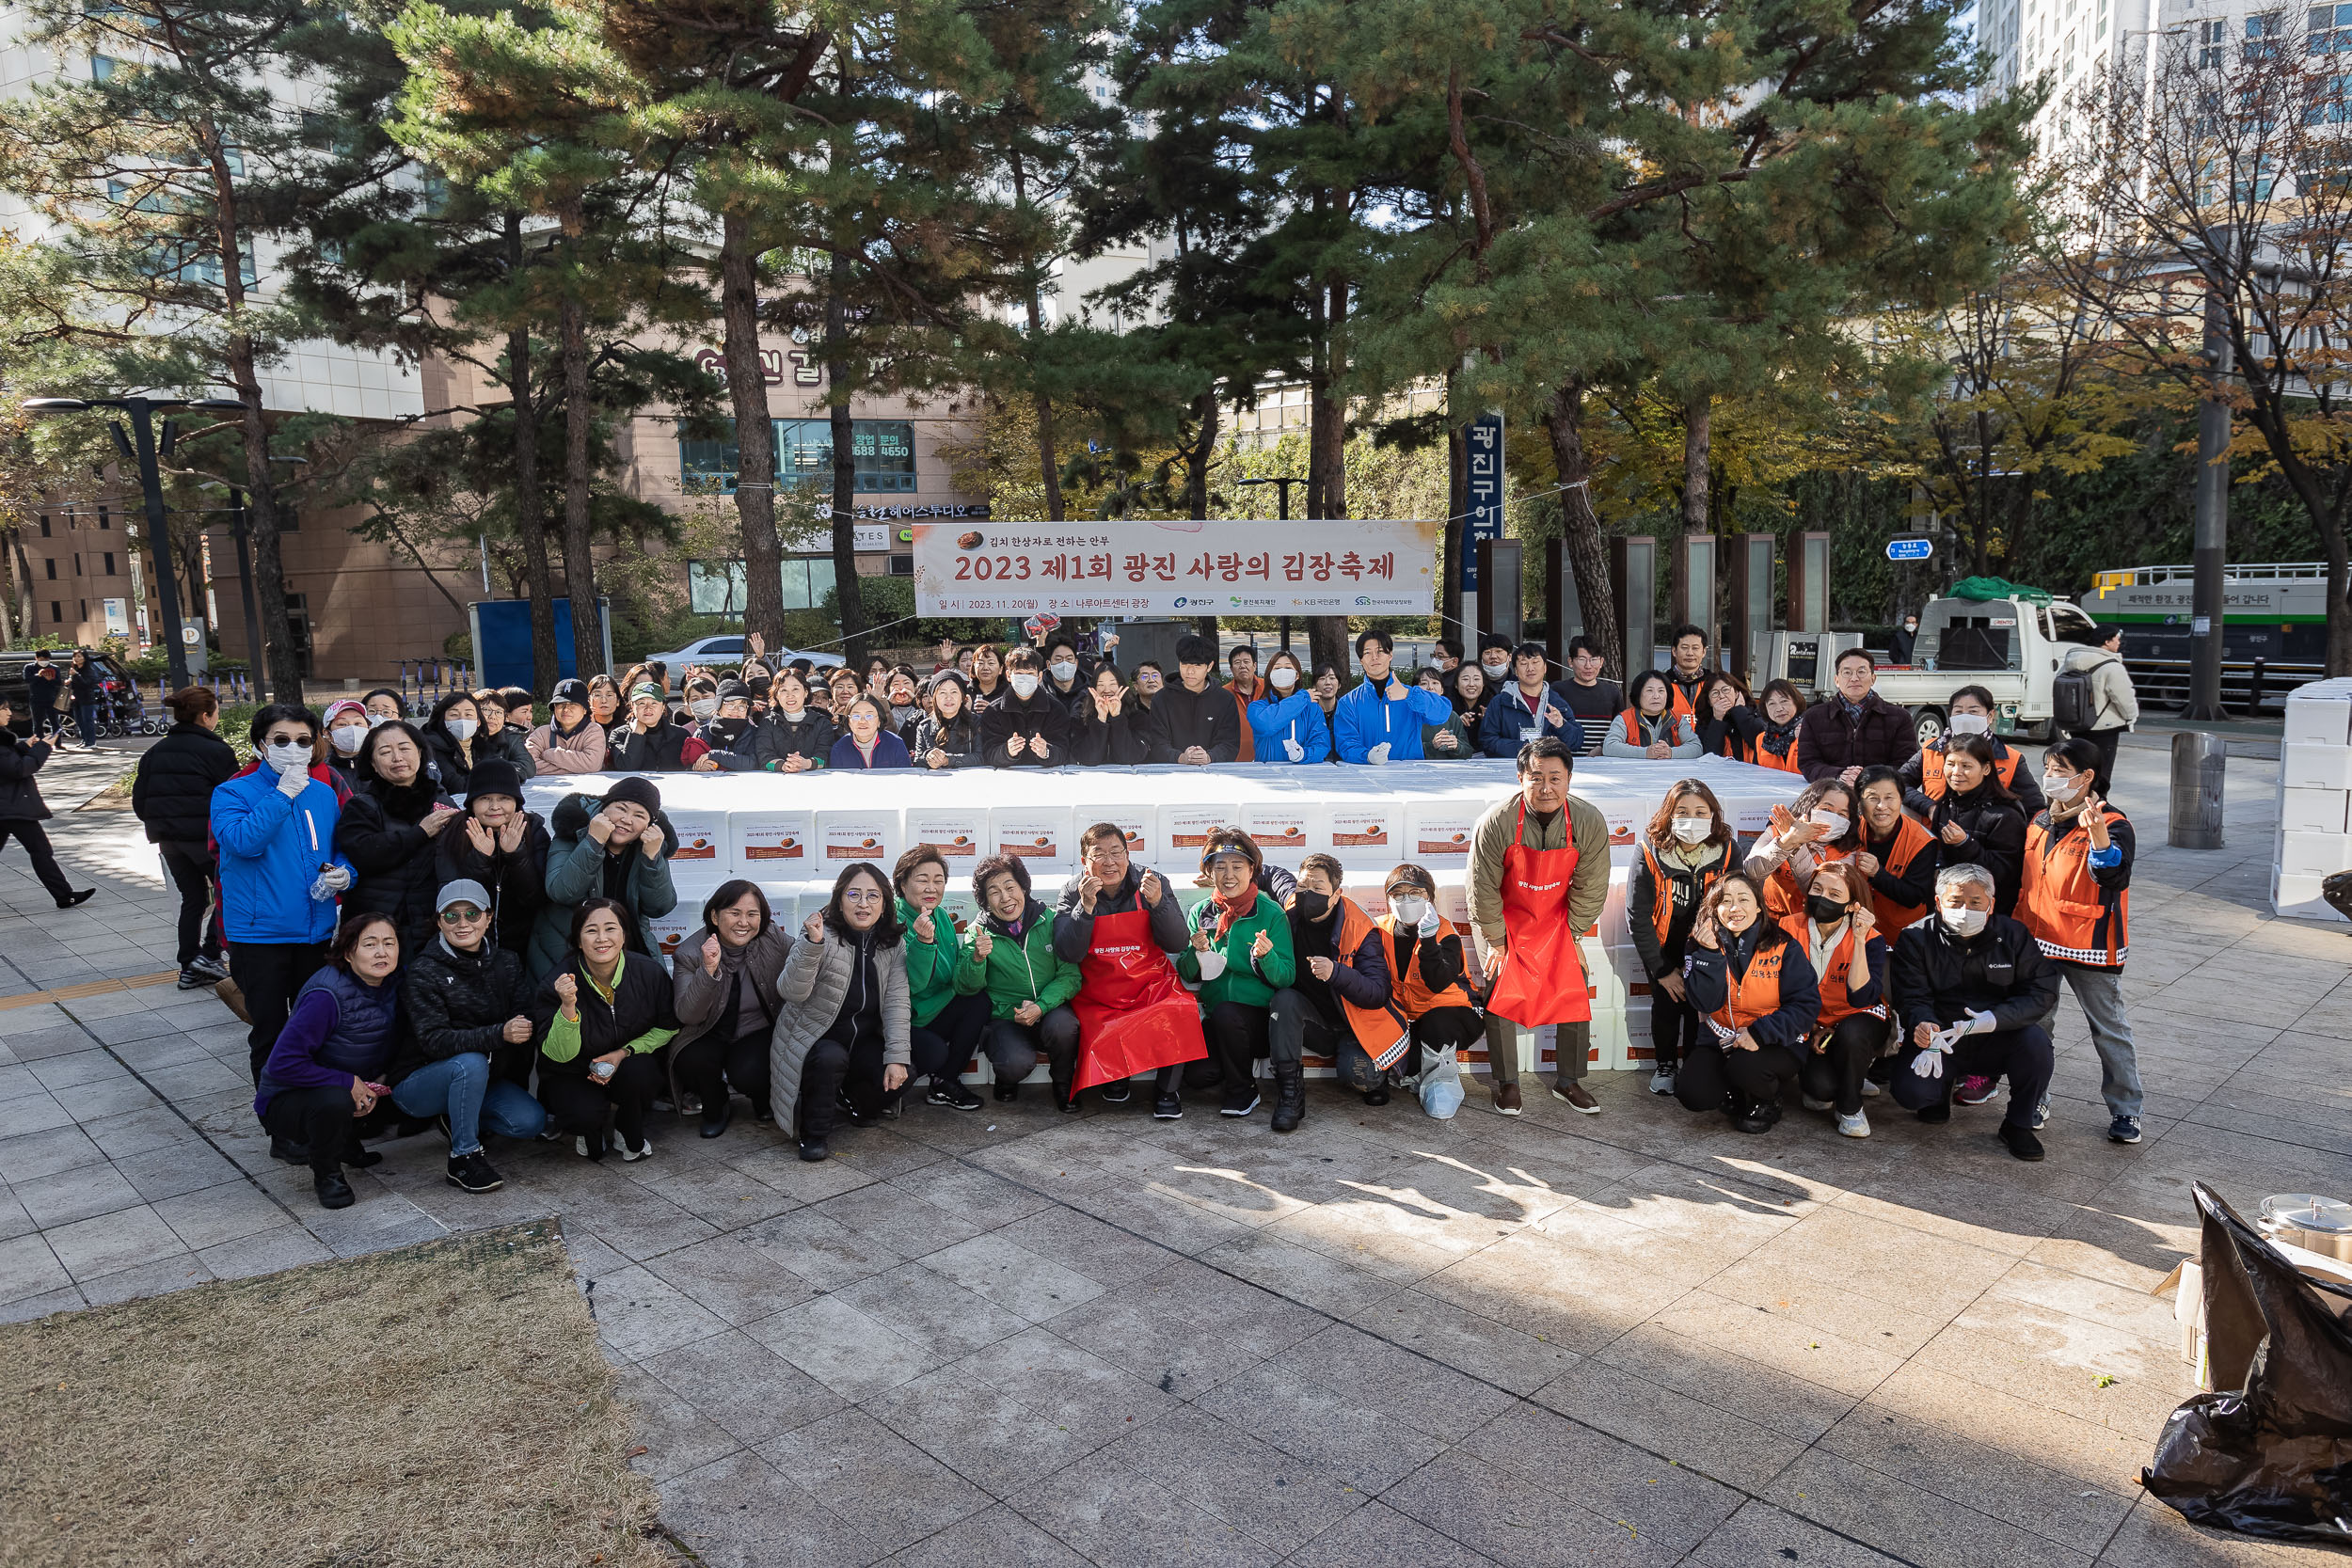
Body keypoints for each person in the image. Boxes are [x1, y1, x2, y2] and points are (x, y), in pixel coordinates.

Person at [1467, 737, 1611, 1115]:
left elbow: (1592, 884)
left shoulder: (1588, 820)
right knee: (1499, 987)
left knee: (1573, 985)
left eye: (1555, 778)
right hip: (1504, 918)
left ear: (1569, 779)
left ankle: (1569, 1081)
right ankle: (1507, 1083)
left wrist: (1574, 933)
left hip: (1558, 918)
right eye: (1536, 778)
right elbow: (1481, 888)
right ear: (1520, 778)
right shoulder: (1496, 822)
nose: (1546, 787)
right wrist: (1497, 942)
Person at [214, 705, 356, 1084]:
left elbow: (341, 847)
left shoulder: (324, 794)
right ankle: (281, 1131)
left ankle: (320, 1128)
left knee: (318, 1034)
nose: (293, 748)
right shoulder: (232, 792)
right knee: (271, 1037)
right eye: (281, 740)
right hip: (262, 938)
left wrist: (345, 872)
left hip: (316, 934)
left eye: (303, 740)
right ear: (261, 744)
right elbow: (243, 842)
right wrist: (281, 795)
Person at [2016, 736, 2144, 1143]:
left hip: (2090, 942)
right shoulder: (2039, 820)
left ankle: (2126, 1111)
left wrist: (2101, 839)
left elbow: (2114, 875)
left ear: (2087, 777)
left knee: (2108, 1027)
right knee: (2038, 1025)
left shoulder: (2114, 823)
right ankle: (2035, 1098)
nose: (2051, 778)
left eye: (2061, 772)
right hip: (2038, 939)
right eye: (2049, 770)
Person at [1888, 863, 2059, 1161]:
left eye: (1975, 902)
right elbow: (1912, 996)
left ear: (1990, 905)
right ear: (1939, 902)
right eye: (1956, 902)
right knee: (1911, 1093)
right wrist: (1922, 1024)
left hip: (1997, 1035)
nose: (1965, 909)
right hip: (1942, 1039)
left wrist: (1995, 1020)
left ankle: (2018, 1123)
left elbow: (2041, 992)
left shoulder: (2014, 935)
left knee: (2037, 1044)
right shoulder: (1915, 938)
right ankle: (1938, 1093)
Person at [392, 879, 547, 1192]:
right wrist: (499, 1033)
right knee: (469, 1063)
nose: (463, 924)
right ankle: (463, 1157)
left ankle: (458, 1115)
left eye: (472, 914)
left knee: (529, 1121)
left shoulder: (507, 961)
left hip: (483, 1077)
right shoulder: (424, 970)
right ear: (439, 921)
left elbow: (525, 1014)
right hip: (419, 1082)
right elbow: (434, 1041)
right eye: (451, 916)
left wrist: (522, 1026)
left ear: (488, 918)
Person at [252, 912, 402, 1209]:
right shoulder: (326, 995)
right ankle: (327, 1174)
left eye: (389, 943)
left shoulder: (392, 981)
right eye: (370, 944)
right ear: (348, 953)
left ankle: (345, 1142)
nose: (382, 952)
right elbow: (282, 1063)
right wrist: (348, 1083)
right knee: (334, 1100)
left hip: (345, 1083)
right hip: (288, 1099)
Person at [1055, 822, 1202, 1108]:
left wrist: (1158, 902)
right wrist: (1084, 908)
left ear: (1128, 854)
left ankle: (1167, 1091)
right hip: (1098, 991)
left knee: (1182, 1007)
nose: (1109, 862)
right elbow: (1068, 952)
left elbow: (1177, 942)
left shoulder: (1151, 881)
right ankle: (1116, 1078)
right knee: (1100, 1019)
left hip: (1150, 983)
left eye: (1116, 853)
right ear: (1085, 861)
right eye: (1099, 855)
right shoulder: (1073, 890)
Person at [771, 863, 912, 1163]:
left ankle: (855, 1104)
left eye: (873, 895)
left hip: (862, 1039)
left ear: (885, 902)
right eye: (854, 894)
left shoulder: (893, 943)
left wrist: (897, 1058)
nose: (864, 904)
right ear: (839, 899)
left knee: (907, 1067)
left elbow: (897, 1003)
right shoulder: (820, 932)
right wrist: (813, 946)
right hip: (818, 1037)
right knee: (830, 1058)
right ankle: (814, 1134)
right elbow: (790, 991)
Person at [1676, 872, 1821, 1133]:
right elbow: (1704, 1002)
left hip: (1775, 1042)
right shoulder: (1699, 944)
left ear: (1758, 906)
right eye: (1726, 901)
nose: (1735, 908)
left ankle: (1767, 1098)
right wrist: (1710, 955)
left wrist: (1760, 1033)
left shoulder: (1784, 946)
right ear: (1714, 908)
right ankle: (1735, 1089)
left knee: (1745, 1066)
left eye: (1743, 899)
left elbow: (1806, 1005)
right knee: (1692, 1093)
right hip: (1720, 1038)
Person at [1270, 855, 1406, 1132]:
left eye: (1318, 888)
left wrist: (1336, 973)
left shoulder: (1361, 929)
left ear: (1336, 894)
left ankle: (1378, 1077)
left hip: (1356, 1028)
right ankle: (1290, 1097)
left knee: (1359, 1076)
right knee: (1283, 1000)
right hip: (1315, 1024)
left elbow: (1378, 993)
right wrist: (1220, 876)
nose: (1308, 893)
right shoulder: (1293, 906)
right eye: (1303, 886)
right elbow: (1271, 874)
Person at [534, 896, 676, 1161]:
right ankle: (590, 1130)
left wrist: (622, 1053)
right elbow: (559, 1055)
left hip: (626, 1064)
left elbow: (667, 1028)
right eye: (591, 930)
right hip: (574, 1070)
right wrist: (568, 1007)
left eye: (610, 928)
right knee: (583, 1121)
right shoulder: (557, 981)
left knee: (642, 1073)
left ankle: (627, 1123)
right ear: (578, 940)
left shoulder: (649, 973)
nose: (602, 938)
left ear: (624, 935)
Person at [1628, 779, 1738, 1098]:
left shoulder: (1728, 849)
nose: (1693, 819)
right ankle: (1665, 1064)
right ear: (1669, 815)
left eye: (1701, 812)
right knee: (1666, 1002)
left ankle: (1693, 1062)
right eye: (1683, 811)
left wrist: (1715, 946)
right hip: (1663, 947)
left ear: (1714, 816)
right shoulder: (1648, 850)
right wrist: (1661, 969)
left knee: (1698, 1005)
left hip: (1708, 944)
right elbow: (1638, 916)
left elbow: (1734, 903)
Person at [1174, 836, 1296, 1119]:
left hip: (1260, 1024)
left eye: (1237, 866)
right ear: (1209, 872)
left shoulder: (1271, 914)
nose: (1229, 876)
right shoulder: (1200, 912)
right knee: (1197, 1075)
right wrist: (1197, 951)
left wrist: (1267, 957)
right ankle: (1233, 1068)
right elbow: (1185, 971)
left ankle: (1243, 1090)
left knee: (1229, 1014)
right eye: (1220, 867)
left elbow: (1287, 978)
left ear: (1252, 870)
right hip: (1219, 1019)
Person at [955, 855, 1083, 1106]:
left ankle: (1064, 1083)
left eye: (1010, 887)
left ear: (1023, 887)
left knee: (1064, 1026)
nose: (1005, 898)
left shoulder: (1051, 921)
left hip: (1049, 1010)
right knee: (1015, 1063)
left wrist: (1041, 1006)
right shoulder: (977, 933)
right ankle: (1007, 1078)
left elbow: (1070, 976)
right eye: (994, 892)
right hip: (1006, 1018)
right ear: (985, 900)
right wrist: (978, 958)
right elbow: (965, 987)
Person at [1773, 861, 1887, 1137]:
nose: (1822, 897)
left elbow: (1862, 997)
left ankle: (1851, 1108)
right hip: (1812, 1023)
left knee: (1851, 1034)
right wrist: (1811, 1028)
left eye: (1835, 894)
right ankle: (1851, 1076)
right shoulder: (1787, 927)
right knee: (1818, 1093)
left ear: (1853, 905)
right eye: (1817, 888)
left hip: (1860, 1019)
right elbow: (1775, 988)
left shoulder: (1871, 937)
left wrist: (1859, 939)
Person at [132, 685, 235, 985]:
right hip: (206, 840)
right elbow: (233, 797)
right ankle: (210, 955)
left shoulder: (155, 752)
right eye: (215, 711)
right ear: (205, 716)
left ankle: (189, 962)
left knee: (193, 899)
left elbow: (140, 800)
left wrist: (164, 825)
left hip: (169, 841)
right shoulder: (216, 751)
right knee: (230, 891)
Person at [670, 880, 787, 1136]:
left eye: (752, 914)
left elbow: (800, 957)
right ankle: (715, 1104)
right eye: (734, 913)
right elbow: (688, 1015)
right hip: (708, 1029)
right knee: (691, 1059)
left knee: (750, 1072)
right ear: (715, 915)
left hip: (756, 1029)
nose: (743, 922)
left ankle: (762, 1097)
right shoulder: (689, 953)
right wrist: (708, 971)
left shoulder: (772, 936)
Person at [529, 775, 677, 978]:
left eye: (640, 816)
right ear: (604, 807)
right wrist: (593, 841)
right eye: (621, 809)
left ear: (649, 825)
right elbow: (562, 892)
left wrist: (652, 859)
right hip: (565, 947)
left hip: (626, 948)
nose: (627, 820)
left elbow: (659, 907)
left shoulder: (648, 845)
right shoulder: (574, 832)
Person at [337, 720, 463, 957]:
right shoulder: (362, 805)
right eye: (385, 752)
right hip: (377, 925)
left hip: (430, 922)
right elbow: (364, 853)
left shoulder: (442, 802)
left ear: (420, 752)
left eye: (405, 748)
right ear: (373, 764)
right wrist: (420, 833)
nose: (397, 757)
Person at [1369, 864, 1485, 1105]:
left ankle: (1441, 1084)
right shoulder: (1378, 930)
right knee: (1402, 1064)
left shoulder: (1444, 932)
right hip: (1409, 1020)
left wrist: (1429, 941)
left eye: (1415, 892)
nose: (1406, 899)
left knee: (1437, 1021)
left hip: (1456, 1016)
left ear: (1430, 897)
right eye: (1397, 893)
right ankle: (1411, 1073)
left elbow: (1437, 982)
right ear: (1388, 899)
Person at [894, 847, 989, 1111]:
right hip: (903, 1020)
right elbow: (910, 986)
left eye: (938, 880)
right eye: (922, 879)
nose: (931, 887)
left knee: (979, 1001)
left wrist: (976, 960)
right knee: (936, 1052)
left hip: (936, 1009)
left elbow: (956, 979)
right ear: (902, 883)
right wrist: (924, 942)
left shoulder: (942, 917)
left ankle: (944, 1083)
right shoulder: (891, 922)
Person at [434, 758, 548, 961]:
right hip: (469, 944)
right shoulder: (453, 834)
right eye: (485, 798)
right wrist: (480, 858)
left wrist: (516, 855)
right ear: (472, 803)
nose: (495, 807)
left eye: (504, 798)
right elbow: (451, 897)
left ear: (516, 802)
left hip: (524, 941)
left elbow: (535, 899)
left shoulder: (534, 831)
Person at [0, 696, 94, 910]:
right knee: (41, 851)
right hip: (12, 807)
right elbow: (18, 770)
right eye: (4, 709)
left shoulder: (3, 742)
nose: (9, 713)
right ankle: (64, 895)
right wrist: (42, 749)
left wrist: (24, 747)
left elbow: (8, 762)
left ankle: (64, 895)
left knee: (40, 851)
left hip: (8, 807)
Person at [1920, 735, 2027, 915]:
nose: (1956, 772)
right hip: (1949, 906)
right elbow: (1937, 851)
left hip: (1986, 912)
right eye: (1950, 764)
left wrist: (1965, 844)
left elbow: (2005, 873)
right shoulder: (1945, 805)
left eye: (1966, 766)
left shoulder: (2005, 815)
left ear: (1986, 769)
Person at [1899, 686, 2043, 815]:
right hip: (1934, 835)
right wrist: (1929, 807)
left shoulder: (2011, 758)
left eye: (1973, 711)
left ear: (1990, 716)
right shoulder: (1931, 750)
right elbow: (1898, 783)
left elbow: (2034, 808)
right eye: (1959, 711)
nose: (1965, 717)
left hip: (1985, 839)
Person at [1745, 778, 1862, 920]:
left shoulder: (1849, 851)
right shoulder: (1777, 830)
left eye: (1842, 814)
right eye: (1826, 809)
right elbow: (1752, 871)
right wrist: (1786, 842)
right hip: (1770, 919)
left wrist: (1795, 843)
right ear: (1809, 807)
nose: (1833, 818)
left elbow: (1819, 892)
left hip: (1813, 923)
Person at [1797, 648, 1919, 782]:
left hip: (1878, 795)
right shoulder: (1814, 716)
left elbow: (1906, 765)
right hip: (1831, 792)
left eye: (1861, 672)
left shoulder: (1899, 717)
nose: (1854, 678)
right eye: (1847, 672)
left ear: (1873, 679)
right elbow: (1808, 762)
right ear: (1837, 680)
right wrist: (1839, 775)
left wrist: (1868, 779)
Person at [1334, 630, 1454, 764]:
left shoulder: (1410, 694)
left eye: (1380, 651)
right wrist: (1367, 756)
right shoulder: (1349, 702)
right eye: (1367, 652)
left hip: (1408, 774)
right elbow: (1346, 743)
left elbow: (1442, 713)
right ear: (1361, 660)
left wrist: (1408, 695)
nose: (1374, 657)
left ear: (1390, 655)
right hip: (1367, 774)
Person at [1851, 767, 1938, 934]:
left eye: (1889, 798)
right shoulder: (1851, 830)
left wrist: (1878, 874)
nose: (1881, 806)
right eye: (1872, 798)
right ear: (1859, 802)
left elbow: (1914, 897)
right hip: (1858, 927)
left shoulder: (1923, 841)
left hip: (1904, 932)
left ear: (1901, 799)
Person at [2060, 625, 2137, 796]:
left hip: (2076, 725)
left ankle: (2074, 803)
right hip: (2104, 728)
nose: (2119, 643)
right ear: (2107, 641)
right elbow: (2124, 698)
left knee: (2078, 769)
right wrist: (2130, 717)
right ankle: (2096, 808)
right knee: (2100, 773)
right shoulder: (2112, 666)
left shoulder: (2070, 662)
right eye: (2116, 639)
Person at [1478, 641, 1584, 757]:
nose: (1530, 668)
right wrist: (1525, 748)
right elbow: (1487, 741)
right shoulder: (1500, 702)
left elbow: (1576, 742)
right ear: (1516, 671)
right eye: (1523, 663)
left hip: (1548, 769)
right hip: (1509, 769)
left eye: (1535, 662)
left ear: (1545, 668)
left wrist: (1561, 725)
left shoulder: (1556, 703)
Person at [1149, 635, 1240, 766]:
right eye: (1185, 664)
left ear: (1209, 666)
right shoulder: (1161, 698)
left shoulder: (1225, 699)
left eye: (1197, 665)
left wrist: (1209, 757)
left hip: (1215, 774)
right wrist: (1181, 758)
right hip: (1172, 773)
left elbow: (1230, 744)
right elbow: (1157, 743)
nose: (1190, 671)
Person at [980, 647, 1073, 768]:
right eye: (1019, 674)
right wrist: (1007, 751)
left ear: (1039, 677)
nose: (1024, 679)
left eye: (1030, 674)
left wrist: (1046, 752)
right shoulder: (993, 711)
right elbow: (989, 753)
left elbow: (1063, 750)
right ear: (1008, 675)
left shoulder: (1056, 709)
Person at [1247, 650, 1332, 764]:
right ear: (1270, 675)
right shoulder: (1257, 708)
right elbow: (1267, 725)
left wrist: (1304, 755)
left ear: (1297, 675)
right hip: (1267, 774)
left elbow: (1321, 744)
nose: (1282, 672)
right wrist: (1302, 698)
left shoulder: (1312, 709)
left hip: (1301, 775)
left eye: (1288, 668)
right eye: (1277, 668)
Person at [1601, 671, 1702, 759]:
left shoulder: (1677, 719)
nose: (1656, 696)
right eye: (1649, 691)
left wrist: (1670, 753)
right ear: (1638, 694)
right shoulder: (1624, 719)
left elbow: (1696, 747)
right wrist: (1646, 753)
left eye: (1661, 691)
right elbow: (1609, 746)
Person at [755, 668, 836, 772]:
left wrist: (805, 763)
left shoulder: (822, 723)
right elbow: (764, 758)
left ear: (806, 692)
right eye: (784, 690)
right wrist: (784, 766)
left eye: (795, 689)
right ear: (776, 695)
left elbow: (824, 758)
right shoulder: (768, 724)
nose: (790, 695)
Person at [1072, 664, 1153, 766]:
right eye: (1101, 685)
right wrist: (1101, 719)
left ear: (1121, 686)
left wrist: (1117, 717)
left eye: (1112, 684)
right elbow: (1089, 758)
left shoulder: (1139, 717)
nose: (1107, 690)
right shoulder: (1081, 717)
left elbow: (1128, 757)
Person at [610, 683, 703, 772]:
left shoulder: (681, 735)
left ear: (663, 707)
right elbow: (626, 767)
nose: (648, 708)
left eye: (654, 703)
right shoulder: (619, 735)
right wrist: (636, 734)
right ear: (632, 707)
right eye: (641, 703)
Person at [529, 678, 610, 776]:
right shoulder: (541, 733)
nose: (566, 709)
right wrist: (576, 768)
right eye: (561, 704)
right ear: (554, 708)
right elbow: (528, 765)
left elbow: (592, 764)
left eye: (573, 704)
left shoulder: (594, 731)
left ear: (584, 709)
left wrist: (551, 754)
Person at [1558, 636, 1622, 753]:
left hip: (1602, 760)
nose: (1588, 666)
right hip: (1565, 761)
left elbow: (1620, 729)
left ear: (1601, 662)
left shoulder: (1612, 692)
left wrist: (1602, 748)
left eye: (1593, 659)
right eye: (1582, 659)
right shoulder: (1558, 691)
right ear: (1570, 662)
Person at [913, 672, 983, 769]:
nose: (948, 698)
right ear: (934, 699)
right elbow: (917, 762)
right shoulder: (925, 727)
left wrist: (948, 760)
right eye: (942, 693)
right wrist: (928, 757)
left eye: (954, 692)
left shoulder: (975, 721)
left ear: (962, 698)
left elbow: (981, 757)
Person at [419, 690, 484, 797]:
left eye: (468, 714)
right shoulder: (433, 746)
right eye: (454, 714)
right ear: (442, 719)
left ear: (478, 721)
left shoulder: (482, 744)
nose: (462, 719)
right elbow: (457, 787)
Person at [690, 681, 763, 771]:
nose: (736, 710)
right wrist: (696, 767)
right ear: (719, 705)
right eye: (730, 705)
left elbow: (752, 763)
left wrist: (715, 755)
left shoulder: (755, 733)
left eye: (742, 706)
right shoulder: (703, 732)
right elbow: (688, 764)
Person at [831, 695, 914, 769]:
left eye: (869, 716)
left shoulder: (895, 743)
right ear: (848, 721)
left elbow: (905, 778)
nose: (862, 721)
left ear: (879, 721)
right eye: (856, 716)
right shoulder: (839, 748)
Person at [1693, 673, 1759, 761]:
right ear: (1709, 701)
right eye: (1715, 693)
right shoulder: (1704, 721)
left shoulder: (1754, 713)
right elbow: (1711, 756)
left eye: (1726, 690)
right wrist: (1718, 719)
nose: (1722, 696)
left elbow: (1757, 742)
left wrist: (1740, 712)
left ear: (1736, 693)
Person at [1418, 667, 1478, 758]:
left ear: (1442, 690)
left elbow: (1468, 752)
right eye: (1424, 683)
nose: (1430, 687)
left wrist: (1456, 746)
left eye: (1435, 683)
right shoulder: (1410, 716)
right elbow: (1402, 749)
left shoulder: (1451, 716)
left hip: (1448, 770)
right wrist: (1431, 745)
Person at [1748, 680, 1804, 774]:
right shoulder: (1762, 739)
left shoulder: (1810, 732)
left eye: (1784, 701)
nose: (1779, 709)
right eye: (1772, 704)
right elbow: (1756, 775)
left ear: (1796, 701)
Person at [1662, 624, 1714, 722]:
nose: (1690, 653)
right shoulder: (1662, 683)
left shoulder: (1713, 683)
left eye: (1695, 648)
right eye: (1685, 647)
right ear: (1674, 651)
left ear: (1704, 651)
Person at [472, 688, 532, 772]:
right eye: (486, 710)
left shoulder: (512, 737)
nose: (493, 716)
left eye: (499, 712)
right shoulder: (465, 737)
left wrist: (494, 770)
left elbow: (527, 767)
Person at [1224, 645, 1266, 761]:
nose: (1242, 666)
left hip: (1267, 758)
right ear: (1231, 669)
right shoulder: (1223, 694)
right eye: (1237, 662)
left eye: (1246, 661)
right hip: (1236, 760)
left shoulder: (1269, 688)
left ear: (1255, 666)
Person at [322, 699, 373, 781]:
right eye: (342, 724)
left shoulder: (380, 764)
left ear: (369, 729)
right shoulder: (322, 771)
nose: (352, 729)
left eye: (357, 723)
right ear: (327, 733)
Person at [1041, 635, 1090, 713]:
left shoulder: (1090, 692)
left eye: (1069, 659)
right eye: (1058, 659)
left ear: (1076, 663)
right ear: (1048, 665)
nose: (1064, 664)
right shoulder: (1040, 693)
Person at [66, 649, 103, 750]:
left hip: (87, 698)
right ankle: (85, 739)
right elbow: (74, 684)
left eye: (79, 656)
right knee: (79, 721)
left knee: (87, 720)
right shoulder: (74, 669)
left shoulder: (89, 670)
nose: (76, 659)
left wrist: (76, 675)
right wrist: (69, 681)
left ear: (85, 658)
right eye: (75, 657)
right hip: (76, 699)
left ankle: (91, 741)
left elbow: (86, 683)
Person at [24, 652, 61, 743]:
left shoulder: (54, 668)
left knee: (55, 722)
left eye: (46, 659)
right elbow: (27, 679)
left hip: (51, 698)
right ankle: (38, 742)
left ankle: (58, 743)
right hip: (36, 699)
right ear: (36, 658)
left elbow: (59, 682)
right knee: (37, 723)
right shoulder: (29, 667)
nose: (44, 661)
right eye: (41, 659)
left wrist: (51, 679)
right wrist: (39, 675)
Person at [967, 643, 1009, 712]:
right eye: (980, 663)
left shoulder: (1009, 694)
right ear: (974, 667)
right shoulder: (965, 693)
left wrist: (993, 712)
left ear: (1001, 669)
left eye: (991, 663)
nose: (985, 668)